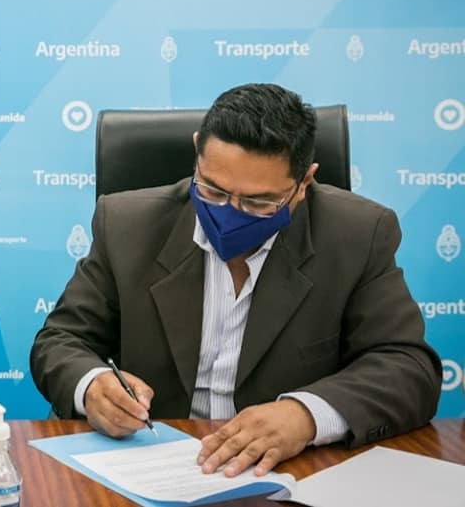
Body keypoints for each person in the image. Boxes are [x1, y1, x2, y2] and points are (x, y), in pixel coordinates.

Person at [30, 83, 441, 478]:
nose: (230, 213)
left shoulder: (358, 234)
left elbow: (408, 368)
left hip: (286, 471)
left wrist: (306, 415)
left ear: (304, 183)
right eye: (213, 191)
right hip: (148, 464)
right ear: (197, 151)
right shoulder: (127, 225)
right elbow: (61, 340)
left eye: (258, 202)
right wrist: (92, 385)